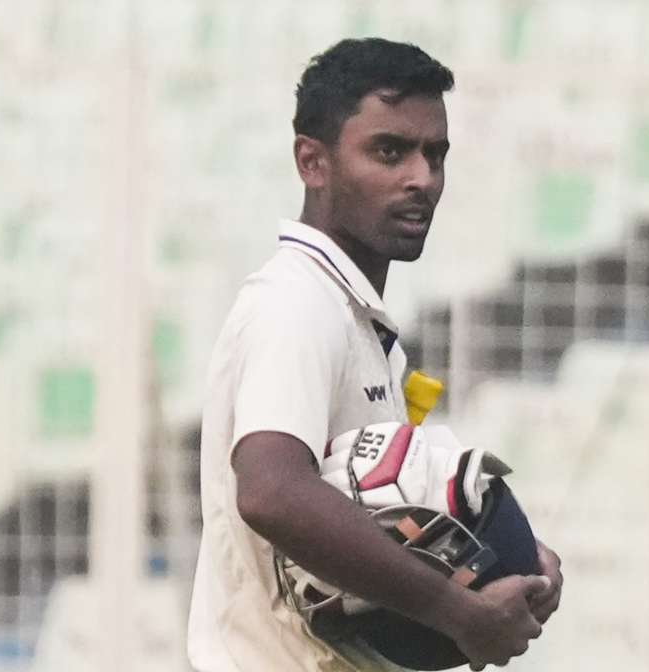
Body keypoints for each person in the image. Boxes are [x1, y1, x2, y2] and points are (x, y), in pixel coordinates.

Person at [187, 37, 563, 672]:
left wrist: (514, 560)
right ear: (313, 162)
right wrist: (459, 613)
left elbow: (372, 509)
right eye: (389, 151)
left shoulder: (352, 316)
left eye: (434, 154)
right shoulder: (295, 301)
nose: (421, 179)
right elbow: (272, 492)